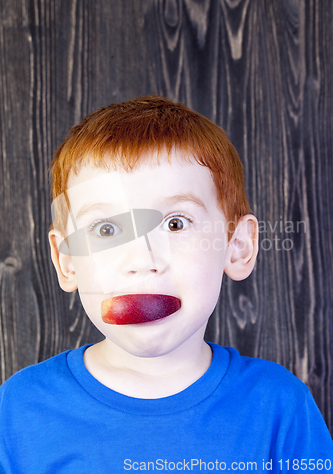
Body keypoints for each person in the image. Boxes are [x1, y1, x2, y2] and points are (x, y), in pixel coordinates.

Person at [0, 96, 332, 473]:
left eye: (175, 224)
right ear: (68, 261)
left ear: (237, 247)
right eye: (106, 229)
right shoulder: (17, 410)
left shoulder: (280, 407)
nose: (142, 260)